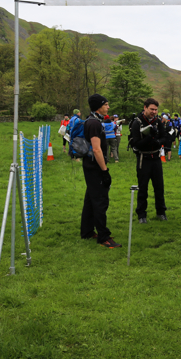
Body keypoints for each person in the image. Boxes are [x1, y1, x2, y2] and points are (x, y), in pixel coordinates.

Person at [80, 94, 120, 248]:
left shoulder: (91, 120)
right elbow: (96, 149)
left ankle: (87, 231)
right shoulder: (95, 123)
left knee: (90, 200)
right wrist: (104, 171)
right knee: (100, 201)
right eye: (106, 104)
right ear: (98, 106)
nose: (108, 107)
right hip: (95, 167)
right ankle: (104, 237)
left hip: (89, 165)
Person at [128, 98, 169, 224]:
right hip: (143, 158)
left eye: (156, 110)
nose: (154, 112)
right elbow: (136, 143)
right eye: (152, 109)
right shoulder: (137, 122)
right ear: (145, 107)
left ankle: (161, 212)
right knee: (143, 188)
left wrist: (158, 142)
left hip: (156, 158)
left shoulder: (157, 121)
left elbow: (164, 137)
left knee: (159, 187)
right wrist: (149, 137)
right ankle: (141, 214)